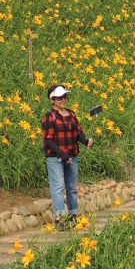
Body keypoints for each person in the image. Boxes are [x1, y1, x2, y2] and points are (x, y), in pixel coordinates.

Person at [41, 85, 93, 227]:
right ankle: (60, 218)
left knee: (72, 187)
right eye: (60, 97)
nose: (63, 99)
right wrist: (62, 154)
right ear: (52, 100)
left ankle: (73, 215)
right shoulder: (50, 117)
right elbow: (48, 140)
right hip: (55, 157)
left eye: (65, 96)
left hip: (72, 155)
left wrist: (86, 141)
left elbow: (78, 133)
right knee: (58, 187)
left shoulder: (72, 114)